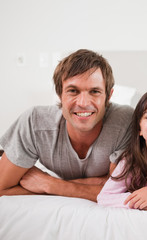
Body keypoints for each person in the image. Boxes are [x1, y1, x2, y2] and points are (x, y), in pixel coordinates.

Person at [0, 49, 133, 202]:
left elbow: (121, 190)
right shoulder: (35, 123)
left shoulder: (125, 122)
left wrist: (51, 184)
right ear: (59, 94)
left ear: (108, 96)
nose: (83, 103)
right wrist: (97, 183)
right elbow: (3, 188)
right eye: (73, 91)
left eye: (95, 91)